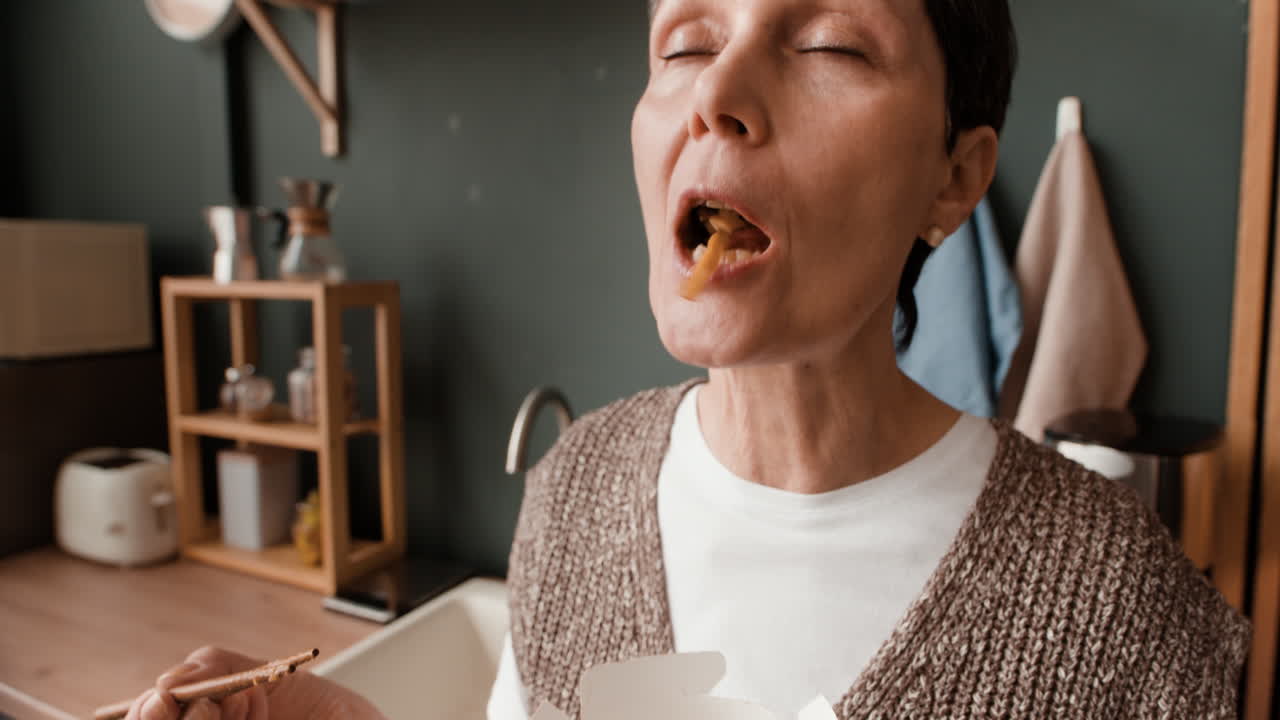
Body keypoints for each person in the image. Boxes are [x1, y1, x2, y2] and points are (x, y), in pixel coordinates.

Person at [128, 0, 1249, 718]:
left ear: (953, 178)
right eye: (684, 45)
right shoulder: (574, 489)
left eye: (825, 44)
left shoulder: (1118, 612)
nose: (715, 93)